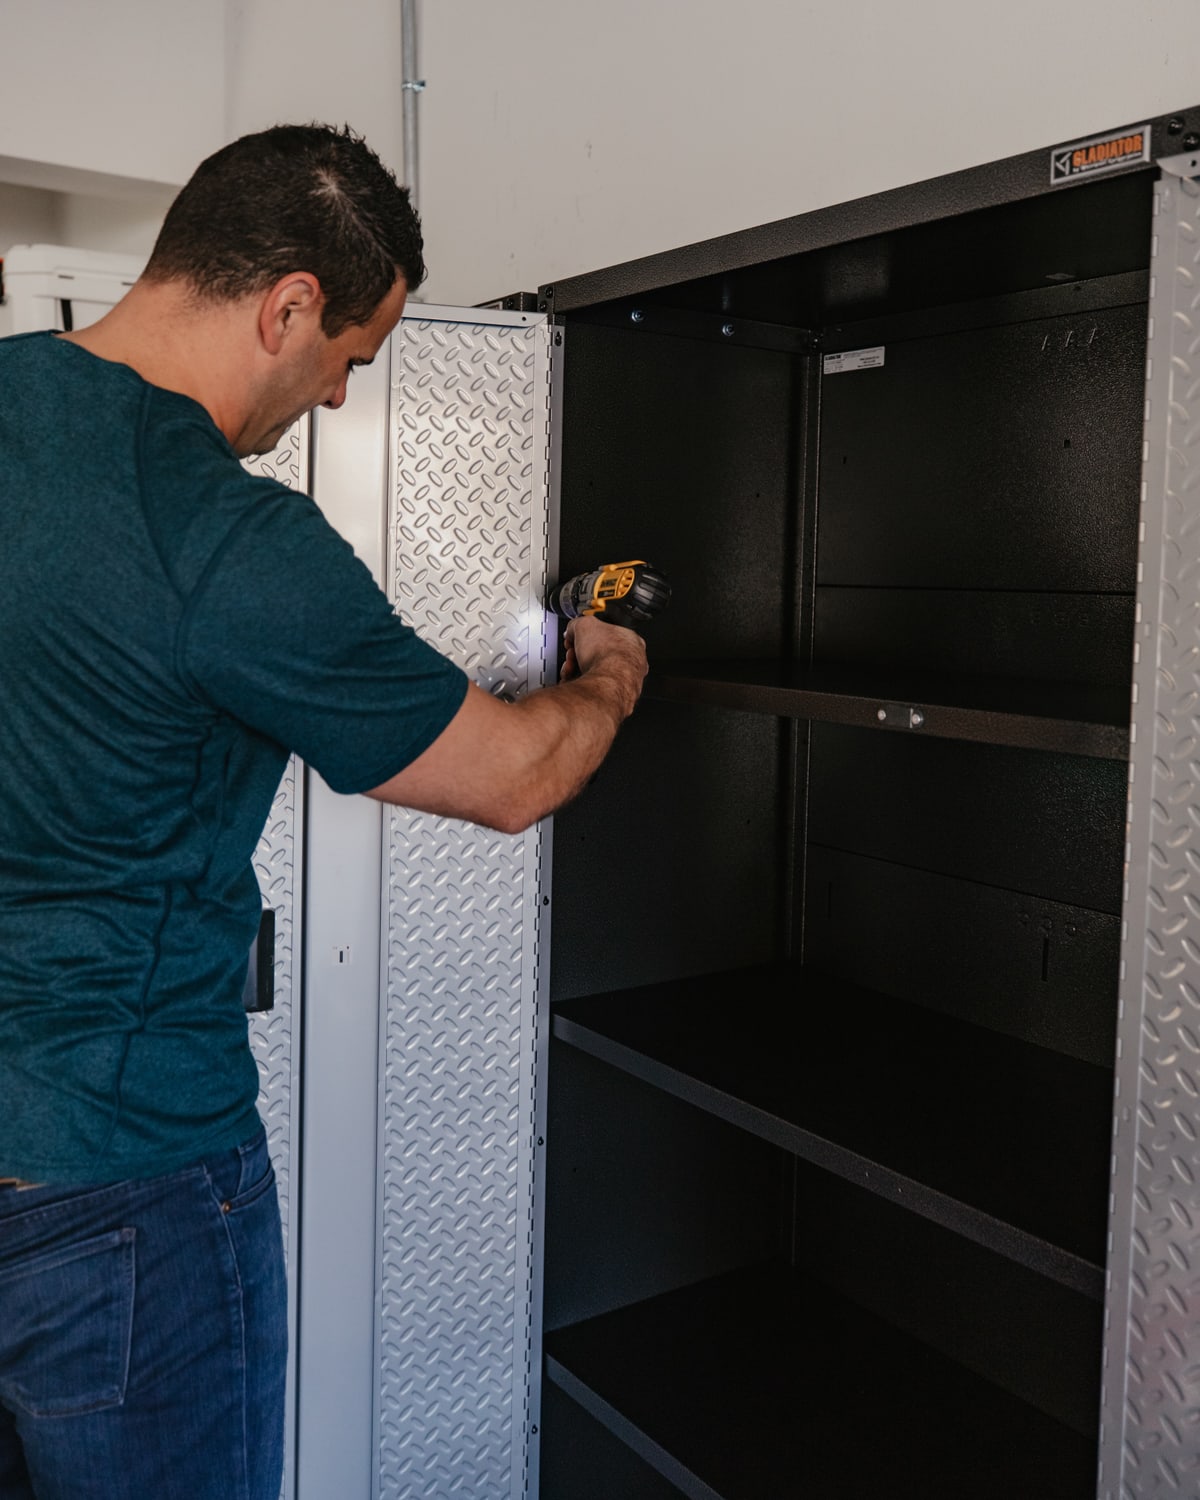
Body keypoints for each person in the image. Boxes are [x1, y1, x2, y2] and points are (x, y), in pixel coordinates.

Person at [0, 124, 646, 1500]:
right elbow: (518, 777)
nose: (341, 400)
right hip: (119, 1178)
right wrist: (607, 674)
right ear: (287, 303)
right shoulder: (223, 533)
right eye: (349, 356)